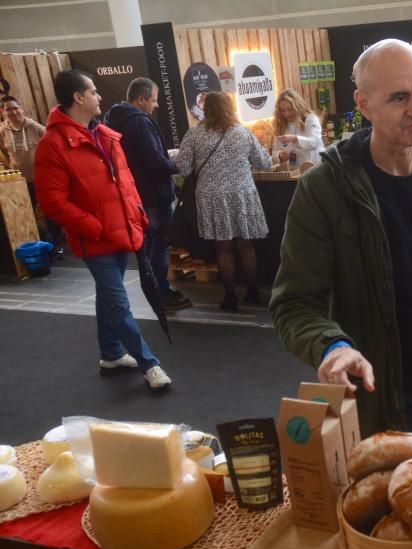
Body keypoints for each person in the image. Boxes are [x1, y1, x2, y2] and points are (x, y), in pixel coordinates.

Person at [269, 39, 412, 449]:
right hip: (382, 399)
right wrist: (332, 346)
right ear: (364, 104)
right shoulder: (325, 189)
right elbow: (294, 303)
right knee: (385, 512)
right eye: (400, 97)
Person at [34, 70, 171, 391]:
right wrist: (93, 226)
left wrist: (136, 214)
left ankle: (110, 354)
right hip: (96, 238)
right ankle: (149, 363)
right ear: (78, 98)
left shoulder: (105, 135)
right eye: (93, 92)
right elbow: (52, 202)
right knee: (117, 299)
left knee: (108, 296)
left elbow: (127, 182)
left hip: (121, 230)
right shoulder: (52, 145)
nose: (100, 97)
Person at [176, 91, 271, 311]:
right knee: (246, 245)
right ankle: (253, 292)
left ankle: (229, 297)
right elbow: (264, 162)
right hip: (242, 194)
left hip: (212, 197)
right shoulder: (241, 132)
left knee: (223, 248)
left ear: (205, 109)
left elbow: (183, 167)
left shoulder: (194, 134)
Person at [105, 77, 192, 311]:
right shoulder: (139, 122)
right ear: (141, 99)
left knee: (149, 245)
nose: (157, 105)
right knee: (160, 245)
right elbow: (155, 161)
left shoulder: (113, 119)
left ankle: (156, 290)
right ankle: (161, 293)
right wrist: (180, 165)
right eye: (154, 100)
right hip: (154, 194)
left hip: (135, 195)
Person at [1, 95, 63, 254]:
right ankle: (37, 245)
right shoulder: (2, 132)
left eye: (16, 108)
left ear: (21, 109)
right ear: (3, 112)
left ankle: (56, 244)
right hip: (19, 183)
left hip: (41, 179)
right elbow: (5, 153)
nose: (13, 112)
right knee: (26, 213)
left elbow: (52, 145)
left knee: (49, 211)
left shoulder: (36, 127)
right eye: (9, 109)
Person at [271, 88, 324, 167]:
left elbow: (314, 142)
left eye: (290, 109)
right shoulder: (281, 124)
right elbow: (275, 150)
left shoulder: (310, 119)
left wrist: (294, 138)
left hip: (315, 169)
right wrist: (279, 155)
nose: (287, 114)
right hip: (294, 172)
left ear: (297, 106)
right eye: (282, 110)